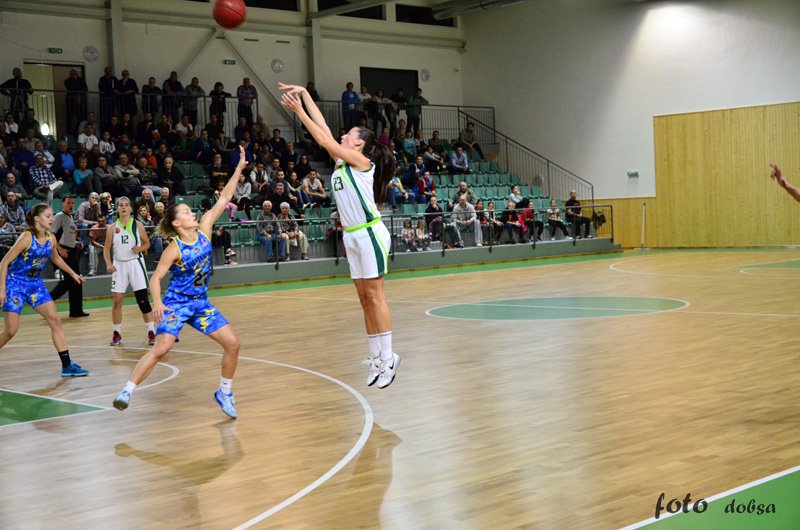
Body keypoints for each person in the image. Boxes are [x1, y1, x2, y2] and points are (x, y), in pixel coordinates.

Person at [280, 82, 400, 389]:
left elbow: (321, 137)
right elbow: (322, 127)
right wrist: (304, 94)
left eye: (348, 135)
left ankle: (389, 357)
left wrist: (298, 112)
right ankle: (375, 357)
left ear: (358, 143)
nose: (342, 135)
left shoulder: (362, 162)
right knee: (364, 299)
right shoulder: (342, 161)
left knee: (375, 296)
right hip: (352, 236)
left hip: (370, 233)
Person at [112, 147, 248, 416]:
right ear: (177, 223)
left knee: (233, 344)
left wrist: (239, 168)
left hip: (201, 303)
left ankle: (224, 392)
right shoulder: (174, 248)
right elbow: (156, 278)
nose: (192, 213)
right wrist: (158, 303)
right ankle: (127, 390)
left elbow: (225, 198)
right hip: (176, 303)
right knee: (161, 348)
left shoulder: (205, 229)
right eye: (186, 212)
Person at [0, 203, 88, 376]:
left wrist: (73, 273)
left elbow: (56, 258)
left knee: (55, 320)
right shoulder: (26, 237)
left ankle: (67, 366)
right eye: (48, 216)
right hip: (15, 284)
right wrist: (2, 289)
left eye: (51, 216)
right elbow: (4, 262)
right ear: (36, 219)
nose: (51, 219)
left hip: (35, 285)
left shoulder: (51, 238)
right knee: (11, 331)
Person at [104, 196, 156, 346]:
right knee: (117, 301)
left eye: (126, 205)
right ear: (117, 208)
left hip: (135, 264)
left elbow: (147, 243)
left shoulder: (138, 225)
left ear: (131, 208)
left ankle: (151, 331)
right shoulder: (112, 228)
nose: (123, 207)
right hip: (119, 265)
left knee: (142, 300)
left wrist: (140, 248)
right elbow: (106, 249)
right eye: (121, 205)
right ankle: (116, 332)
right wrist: (108, 263)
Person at [49, 196, 89, 317]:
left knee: (76, 281)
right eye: (68, 203)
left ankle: (76, 310)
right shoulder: (59, 216)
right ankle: (47, 300)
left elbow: (66, 236)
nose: (71, 205)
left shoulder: (70, 217)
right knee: (71, 280)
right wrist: (59, 249)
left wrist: (76, 244)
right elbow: (51, 234)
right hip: (64, 252)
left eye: (72, 203)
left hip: (72, 251)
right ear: (62, 203)